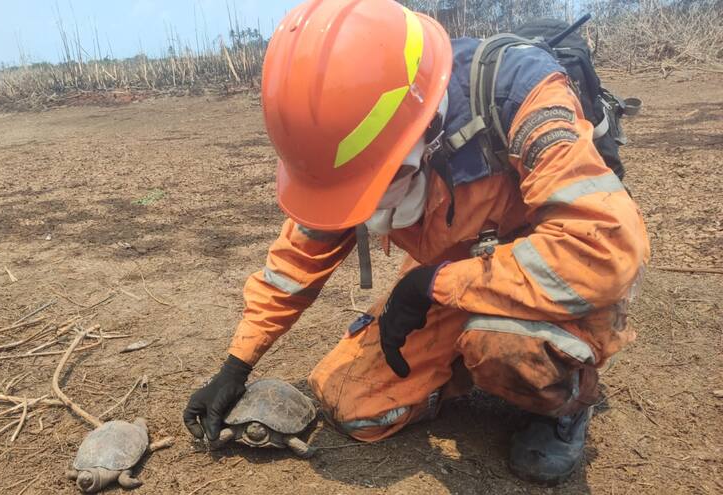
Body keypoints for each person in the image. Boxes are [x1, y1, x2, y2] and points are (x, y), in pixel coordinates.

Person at [183, 0, 649, 485]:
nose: (362, 212)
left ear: (427, 137)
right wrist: (236, 364)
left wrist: (434, 284)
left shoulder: (523, 97)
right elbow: (296, 260)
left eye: (376, 184)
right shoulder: (347, 137)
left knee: (504, 348)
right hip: (466, 265)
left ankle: (564, 401)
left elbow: (606, 251)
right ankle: (462, 363)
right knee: (354, 404)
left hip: (554, 268)